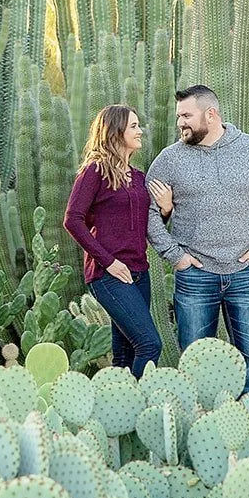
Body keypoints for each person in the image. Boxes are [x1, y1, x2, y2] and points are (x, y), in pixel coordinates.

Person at [145, 84, 249, 402]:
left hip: (245, 275)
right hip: (195, 277)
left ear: (211, 115)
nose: (180, 123)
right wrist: (175, 255)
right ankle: (202, 426)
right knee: (194, 363)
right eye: (178, 116)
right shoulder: (169, 160)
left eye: (186, 116)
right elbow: (149, 212)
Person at [62, 104, 164, 378]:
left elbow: (145, 224)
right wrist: (108, 262)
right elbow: (73, 220)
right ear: (116, 131)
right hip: (109, 275)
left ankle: (117, 403)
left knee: (126, 353)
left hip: (139, 272)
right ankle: (138, 400)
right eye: (134, 126)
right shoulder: (95, 171)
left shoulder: (139, 177)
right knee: (149, 344)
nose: (140, 131)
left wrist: (166, 210)